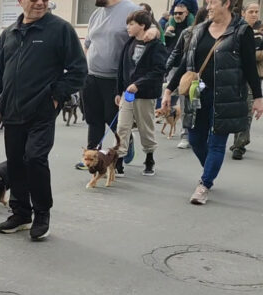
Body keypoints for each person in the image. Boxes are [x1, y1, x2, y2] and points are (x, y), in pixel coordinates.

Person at [0, 0, 86, 241]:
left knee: (35, 159)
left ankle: (42, 214)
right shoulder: (9, 34)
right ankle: (21, 213)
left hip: (41, 112)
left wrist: (55, 96)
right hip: (12, 112)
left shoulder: (60, 29)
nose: (40, 2)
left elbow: (79, 70)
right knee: (15, 163)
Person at [162, 0, 263, 205]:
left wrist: (258, 97)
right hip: (197, 95)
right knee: (195, 139)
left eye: (213, 3)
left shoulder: (241, 31)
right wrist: (168, 90)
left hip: (226, 97)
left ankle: (205, 184)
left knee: (217, 143)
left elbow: (250, 67)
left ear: (227, 4)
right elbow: (186, 63)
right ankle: (210, 167)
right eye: (207, 3)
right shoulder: (199, 30)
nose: (208, 7)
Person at [76, 0, 150, 171]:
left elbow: (150, 33)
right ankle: (93, 157)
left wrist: (153, 31)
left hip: (114, 79)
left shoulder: (132, 10)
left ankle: (123, 148)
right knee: (93, 120)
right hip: (91, 76)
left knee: (113, 120)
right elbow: (88, 44)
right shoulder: (96, 14)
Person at [115, 9, 167, 176]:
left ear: (142, 25)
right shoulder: (128, 43)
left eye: (131, 24)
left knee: (146, 127)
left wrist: (139, 84)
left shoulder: (156, 45)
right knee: (122, 127)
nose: (128, 27)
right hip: (127, 93)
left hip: (145, 94)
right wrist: (119, 91)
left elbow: (159, 70)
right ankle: (119, 159)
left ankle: (149, 157)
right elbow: (121, 69)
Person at [166, 7, 209, 150]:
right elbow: (176, 52)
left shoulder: (218, 34)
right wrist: (165, 70)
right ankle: (185, 135)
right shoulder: (188, 32)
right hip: (188, 74)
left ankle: (202, 135)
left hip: (207, 76)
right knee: (186, 105)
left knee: (203, 106)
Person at [229, 2, 262, 160]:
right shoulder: (237, 30)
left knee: (247, 110)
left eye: (257, 11)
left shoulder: (259, 35)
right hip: (235, 76)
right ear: (243, 13)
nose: (254, 14)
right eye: (251, 11)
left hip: (253, 77)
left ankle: (239, 144)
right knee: (236, 110)